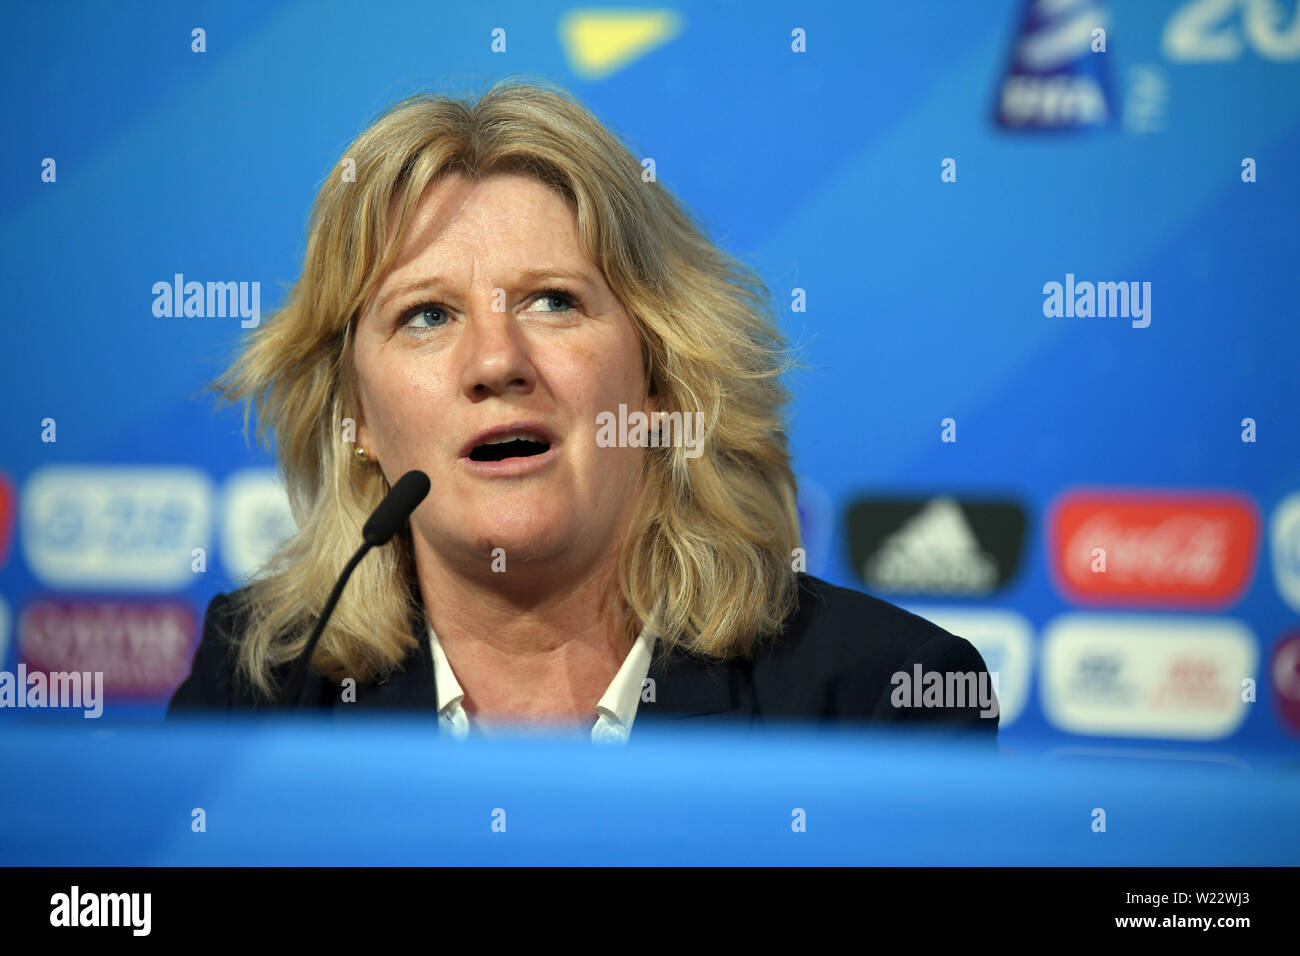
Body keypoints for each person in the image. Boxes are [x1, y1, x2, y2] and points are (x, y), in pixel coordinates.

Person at [168, 77, 998, 746]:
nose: (497, 362)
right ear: (356, 417)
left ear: (660, 377)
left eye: (554, 302)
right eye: (428, 314)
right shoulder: (262, 687)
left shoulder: (878, 702)